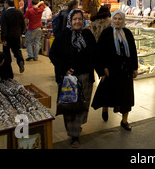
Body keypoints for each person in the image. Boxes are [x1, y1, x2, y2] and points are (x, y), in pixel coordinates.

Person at [49, 9, 97, 148]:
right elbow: (53, 54)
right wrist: (63, 68)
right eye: (74, 19)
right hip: (69, 78)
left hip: (86, 76)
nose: (77, 21)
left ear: (83, 20)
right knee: (70, 107)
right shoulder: (63, 35)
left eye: (80, 19)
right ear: (70, 21)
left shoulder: (87, 34)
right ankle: (74, 135)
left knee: (82, 105)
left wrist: (102, 70)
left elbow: (95, 53)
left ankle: (76, 127)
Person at [92, 10, 138, 131]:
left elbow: (133, 51)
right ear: (112, 19)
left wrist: (134, 68)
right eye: (115, 19)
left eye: (120, 19)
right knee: (108, 93)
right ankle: (105, 107)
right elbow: (99, 52)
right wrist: (102, 69)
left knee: (126, 96)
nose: (117, 21)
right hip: (111, 71)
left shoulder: (127, 33)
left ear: (123, 20)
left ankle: (124, 120)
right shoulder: (106, 33)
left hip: (125, 71)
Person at [0, 0, 26, 74]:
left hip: (8, 36)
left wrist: (3, 38)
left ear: (7, 4)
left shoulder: (5, 13)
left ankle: (8, 67)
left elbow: (3, 27)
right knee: (16, 50)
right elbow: (23, 24)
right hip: (17, 35)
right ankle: (20, 61)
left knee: (6, 52)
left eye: (5, 4)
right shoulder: (19, 12)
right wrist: (20, 33)